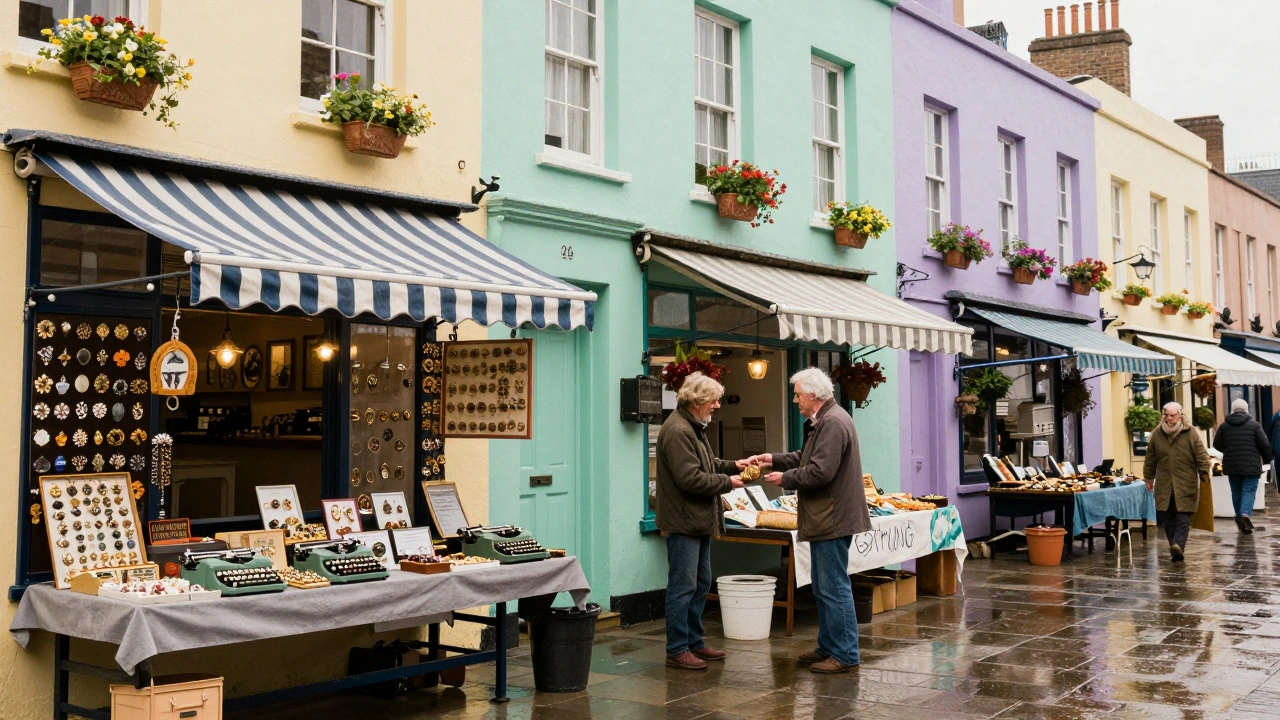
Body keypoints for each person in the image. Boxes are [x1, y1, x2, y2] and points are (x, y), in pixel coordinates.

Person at [749, 368, 869, 674]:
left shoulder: (832, 423)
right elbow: (807, 457)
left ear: (812, 395)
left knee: (833, 587)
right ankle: (828, 647)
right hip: (828, 517)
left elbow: (820, 471)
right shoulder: (826, 420)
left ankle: (845, 654)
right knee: (823, 587)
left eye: (798, 394)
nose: (795, 400)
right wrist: (773, 460)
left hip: (832, 518)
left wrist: (784, 477)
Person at [654, 372, 746, 670]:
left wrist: (736, 465)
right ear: (697, 400)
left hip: (698, 521)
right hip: (684, 522)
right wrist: (728, 482)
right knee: (683, 586)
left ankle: (694, 642)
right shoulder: (680, 430)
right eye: (714, 400)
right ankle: (677, 649)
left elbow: (708, 465)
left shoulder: (694, 427)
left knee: (700, 582)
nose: (717, 405)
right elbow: (690, 478)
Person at [1144, 401, 1211, 562]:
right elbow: (1151, 458)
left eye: (1172, 415)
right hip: (1164, 484)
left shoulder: (1191, 432)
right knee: (1168, 518)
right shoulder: (1157, 434)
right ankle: (1174, 546)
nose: (1168, 418)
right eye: (1166, 415)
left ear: (1179, 415)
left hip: (1186, 482)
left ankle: (1178, 546)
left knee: (1183, 517)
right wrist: (1148, 477)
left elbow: (1201, 454)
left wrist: (1204, 472)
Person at [1212, 398, 1272, 535]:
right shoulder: (1254, 425)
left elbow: (1216, 444)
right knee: (1249, 490)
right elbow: (1264, 445)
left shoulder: (1224, 426)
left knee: (1236, 491)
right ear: (1246, 410)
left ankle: (1240, 519)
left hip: (1232, 465)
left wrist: (1228, 450)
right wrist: (1268, 460)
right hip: (1251, 465)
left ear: (1232, 410)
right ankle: (1245, 514)